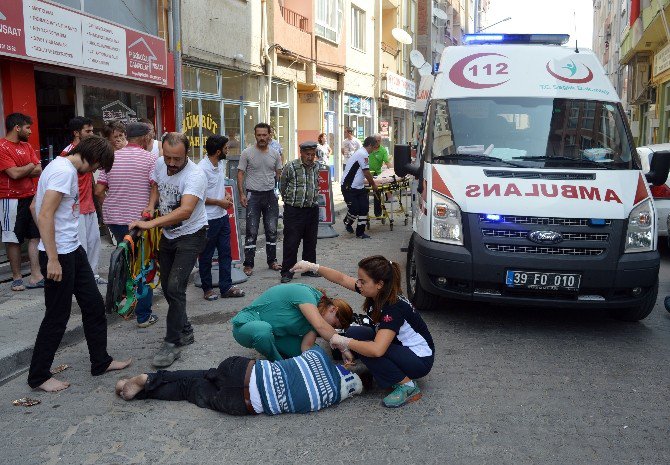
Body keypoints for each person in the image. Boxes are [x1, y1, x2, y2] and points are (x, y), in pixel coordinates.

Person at [28, 136, 131, 392]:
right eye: (98, 166)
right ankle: (39, 376)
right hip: (59, 255)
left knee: (94, 306)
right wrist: (51, 257)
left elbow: (35, 206)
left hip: (73, 250)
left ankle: (101, 362)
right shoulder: (63, 172)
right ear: (94, 159)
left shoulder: (64, 168)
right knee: (57, 316)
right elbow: (44, 213)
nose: (96, 171)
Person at [291, 255, 434, 408]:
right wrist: (313, 267)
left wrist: (344, 342)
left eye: (362, 281)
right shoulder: (378, 292)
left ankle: (408, 386)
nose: (358, 284)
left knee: (367, 348)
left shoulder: (392, 308)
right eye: (358, 279)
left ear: (379, 284)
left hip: (419, 359)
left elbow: (377, 350)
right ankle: (386, 374)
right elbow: (341, 278)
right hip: (403, 349)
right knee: (354, 333)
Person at [129, 133, 208, 368]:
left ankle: (172, 343)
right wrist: (150, 206)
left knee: (175, 287)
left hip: (191, 234)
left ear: (188, 154)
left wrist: (150, 223)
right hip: (168, 234)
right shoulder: (160, 164)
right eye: (168, 157)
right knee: (167, 286)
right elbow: (156, 185)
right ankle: (185, 330)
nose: (171, 164)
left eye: (177, 159)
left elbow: (185, 211)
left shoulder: (195, 175)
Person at [115, 345, 363, 416]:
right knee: (191, 388)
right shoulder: (331, 397)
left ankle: (148, 379)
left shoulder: (318, 355)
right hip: (242, 403)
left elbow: (306, 344)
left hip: (242, 370)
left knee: (205, 373)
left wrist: (342, 346)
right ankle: (141, 390)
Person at [95, 122, 159, 328]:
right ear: (145, 138)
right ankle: (143, 315)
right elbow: (154, 187)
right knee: (143, 265)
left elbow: (98, 191)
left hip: (115, 219)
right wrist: (149, 207)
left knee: (125, 261)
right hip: (139, 220)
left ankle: (127, 305)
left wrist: (112, 206)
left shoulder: (111, 157)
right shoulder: (150, 158)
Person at [231, 283, 353, 361]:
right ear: (333, 309)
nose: (332, 327)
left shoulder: (317, 317)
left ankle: (276, 354)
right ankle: (279, 364)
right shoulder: (306, 295)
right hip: (245, 326)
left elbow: (306, 347)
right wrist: (344, 348)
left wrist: (312, 364)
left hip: (276, 336)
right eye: (334, 325)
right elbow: (321, 326)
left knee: (317, 355)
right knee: (263, 331)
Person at [197, 135, 245, 300]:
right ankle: (207, 289)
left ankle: (226, 287)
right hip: (208, 219)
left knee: (226, 253)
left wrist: (225, 195)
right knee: (206, 255)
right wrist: (219, 202)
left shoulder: (220, 163)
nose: (228, 150)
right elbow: (198, 197)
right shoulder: (201, 169)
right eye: (226, 148)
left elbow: (218, 185)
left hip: (223, 217)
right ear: (218, 151)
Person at [60, 116, 106, 285]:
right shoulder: (67, 154)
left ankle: (92, 275)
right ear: (76, 133)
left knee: (94, 242)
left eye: (92, 130)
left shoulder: (87, 152)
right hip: (75, 208)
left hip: (89, 206)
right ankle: (82, 279)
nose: (91, 134)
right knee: (81, 246)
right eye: (88, 131)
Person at [0, 113, 43, 291]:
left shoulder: (26, 146)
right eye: (27, 127)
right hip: (10, 198)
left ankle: (36, 275)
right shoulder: (2, 146)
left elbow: (39, 169)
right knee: (13, 238)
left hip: (30, 196)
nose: (30, 131)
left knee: (35, 235)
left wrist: (23, 169)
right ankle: (17, 278)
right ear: (17, 127)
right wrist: (28, 167)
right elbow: (14, 174)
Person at [236, 122, 283, 276]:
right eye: (259, 135)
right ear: (255, 135)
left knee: (271, 230)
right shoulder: (247, 153)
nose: (262, 138)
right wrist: (242, 194)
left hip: (270, 195)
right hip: (253, 195)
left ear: (269, 135)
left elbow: (279, 173)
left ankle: (272, 261)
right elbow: (240, 174)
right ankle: (248, 264)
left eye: (265, 135)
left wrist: (278, 191)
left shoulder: (275, 154)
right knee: (251, 231)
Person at [279, 141, 321, 283]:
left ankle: (308, 269)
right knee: (291, 241)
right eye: (307, 154)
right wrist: (289, 201)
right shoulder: (291, 166)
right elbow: (282, 185)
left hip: (312, 209)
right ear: (301, 153)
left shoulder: (316, 167)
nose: (310, 157)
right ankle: (287, 272)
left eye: (313, 154)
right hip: (294, 210)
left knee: (311, 241)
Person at [341, 136, 378, 239]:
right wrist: (373, 184)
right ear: (370, 145)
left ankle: (360, 233)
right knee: (355, 208)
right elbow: (366, 172)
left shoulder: (363, 153)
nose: (374, 149)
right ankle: (347, 222)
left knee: (364, 208)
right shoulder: (362, 154)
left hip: (359, 186)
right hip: (349, 186)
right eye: (375, 147)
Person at [368, 133, 393, 217]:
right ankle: (364, 213)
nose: (378, 142)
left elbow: (387, 162)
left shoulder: (382, 150)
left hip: (377, 174)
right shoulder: (369, 148)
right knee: (364, 193)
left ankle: (378, 213)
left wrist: (393, 171)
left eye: (379, 141)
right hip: (367, 173)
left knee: (377, 193)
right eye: (376, 141)